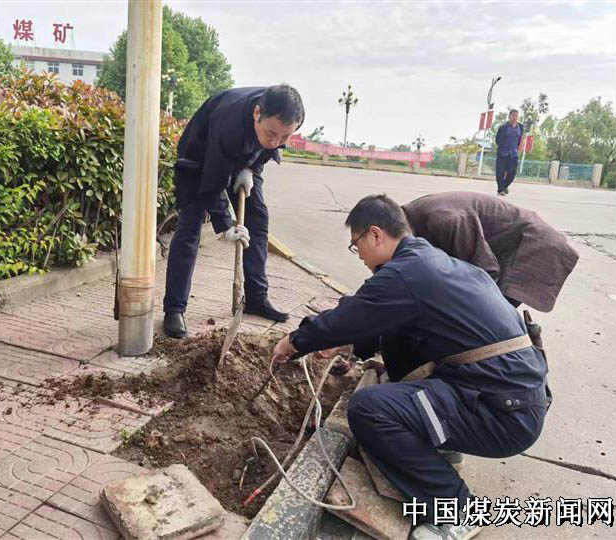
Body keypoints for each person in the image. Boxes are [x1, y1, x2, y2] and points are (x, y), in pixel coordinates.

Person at [273, 194, 551, 540]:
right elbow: (389, 326)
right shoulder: (434, 263)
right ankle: (443, 444)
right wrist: (349, 344)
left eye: (356, 244)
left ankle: (457, 512)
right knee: (398, 374)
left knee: (370, 409)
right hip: (514, 398)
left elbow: (352, 314)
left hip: (504, 415)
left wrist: (295, 342)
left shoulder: (404, 274)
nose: (358, 255)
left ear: (375, 234)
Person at [163, 85, 304, 338]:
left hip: (242, 158)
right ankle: (174, 309)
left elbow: (269, 148)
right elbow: (212, 180)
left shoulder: (283, 117)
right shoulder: (229, 123)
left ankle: (256, 298)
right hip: (199, 161)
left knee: (258, 220)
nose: (275, 142)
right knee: (189, 229)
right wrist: (226, 225)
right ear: (257, 113)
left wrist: (251, 168)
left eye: (284, 137)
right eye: (271, 133)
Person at [402, 191, 579, 312]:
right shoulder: (413, 214)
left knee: (493, 313)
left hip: (534, 246)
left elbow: (486, 272)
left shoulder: (446, 220)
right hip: (512, 244)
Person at [495, 109, 523, 196]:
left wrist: (517, 148)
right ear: (509, 116)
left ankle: (504, 186)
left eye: (516, 115)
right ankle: (500, 190)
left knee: (512, 173)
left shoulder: (520, 127)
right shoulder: (503, 127)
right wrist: (502, 148)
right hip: (502, 153)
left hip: (513, 154)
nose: (515, 117)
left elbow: (519, 139)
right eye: (513, 115)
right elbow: (497, 139)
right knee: (500, 172)